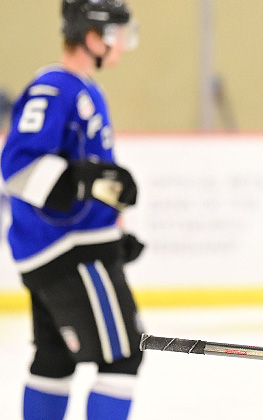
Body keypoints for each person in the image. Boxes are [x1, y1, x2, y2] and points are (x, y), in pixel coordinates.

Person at [0, 1, 144, 419]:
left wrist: (113, 238)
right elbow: (19, 166)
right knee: (122, 358)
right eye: (117, 34)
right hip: (71, 252)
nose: (122, 45)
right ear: (93, 35)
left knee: (55, 359)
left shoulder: (80, 87)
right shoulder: (56, 88)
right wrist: (82, 181)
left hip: (60, 251)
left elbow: (83, 183)